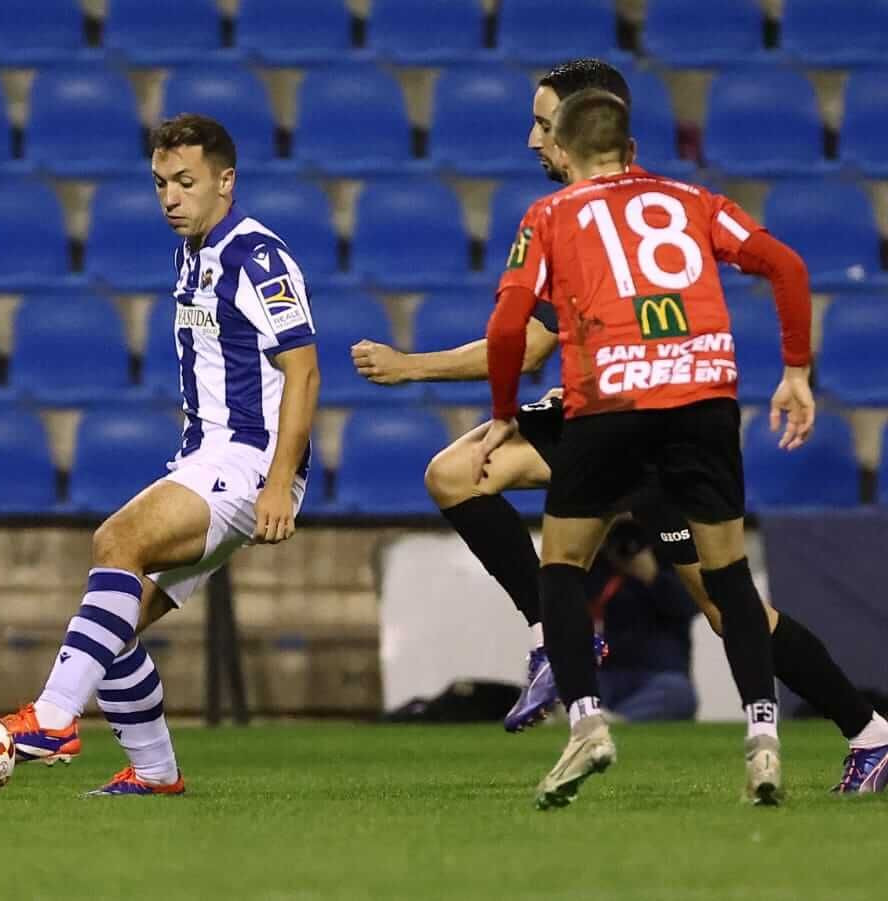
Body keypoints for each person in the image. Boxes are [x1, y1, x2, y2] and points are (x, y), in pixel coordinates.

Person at [351, 58, 888, 793]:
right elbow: (778, 267)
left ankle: (866, 728)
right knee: (455, 473)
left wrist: (415, 368)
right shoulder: (666, 201)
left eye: (543, 124)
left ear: (577, 130)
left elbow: (528, 341)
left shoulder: (577, 217)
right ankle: (554, 635)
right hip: (654, 411)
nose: (532, 141)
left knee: (727, 608)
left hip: (623, 412)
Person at [479, 88, 810, 807]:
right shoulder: (693, 200)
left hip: (612, 402)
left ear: (562, 150)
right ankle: (763, 738)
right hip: (703, 399)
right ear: (630, 150)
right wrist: (795, 373)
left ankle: (588, 723)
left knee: (561, 564)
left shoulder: (548, 214)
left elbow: (509, 329)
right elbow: (787, 266)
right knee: (730, 581)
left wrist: (506, 412)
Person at [1, 114, 320, 796]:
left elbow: (306, 371)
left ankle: (54, 717)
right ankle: (155, 772)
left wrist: (279, 480)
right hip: (207, 457)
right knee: (110, 623)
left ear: (225, 181)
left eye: (185, 182)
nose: (170, 197)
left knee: (116, 539)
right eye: (160, 184)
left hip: (247, 459)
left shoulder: (256, 256)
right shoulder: (191, 253)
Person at [589, 520, 698, 722]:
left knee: (678, 693)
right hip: (607, 673)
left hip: (659, 673)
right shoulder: (598, 568)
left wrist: (653, 577)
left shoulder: (673, 560)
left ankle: (618, 722)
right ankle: (608, 719)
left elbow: (689, 607)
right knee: (568, 685)